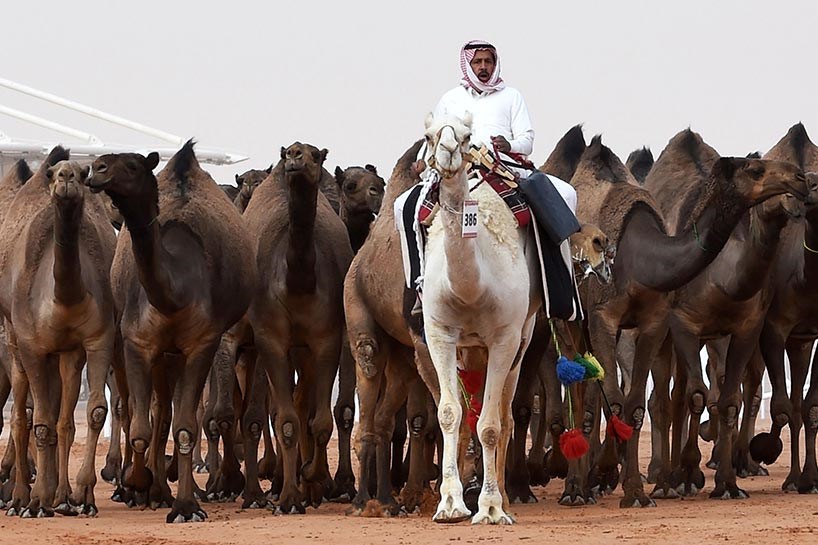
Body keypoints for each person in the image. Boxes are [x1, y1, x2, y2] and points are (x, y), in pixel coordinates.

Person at [399, 40, 581, 319]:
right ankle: (420, 286)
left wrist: (510, 145)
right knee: (402, 206)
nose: (483, 67)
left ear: (495, 64)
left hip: (503, 166)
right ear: (468, 64)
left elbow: (527, 140)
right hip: (457, 170)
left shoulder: (512, 96)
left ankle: (559, 287)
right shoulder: (450, 99)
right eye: (477, 62)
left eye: (488, 61)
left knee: (567, 194)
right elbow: (434, 137)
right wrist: (423, 160)